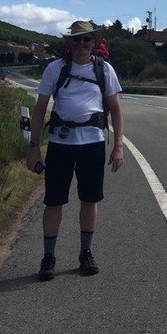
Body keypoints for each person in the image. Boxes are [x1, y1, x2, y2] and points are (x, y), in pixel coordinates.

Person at [26, 20, 125, 281]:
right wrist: (34, 147)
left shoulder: (105, 70)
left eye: (87, 39)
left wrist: (119, 147)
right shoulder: (54, 69)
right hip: (60, 144)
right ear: (69, 42)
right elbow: (39, 110)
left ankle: (86, 253)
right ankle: (48, 257)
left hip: (92, 143)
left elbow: (115, 109)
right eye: (77, 39)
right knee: (54, 201)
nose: (82, 44)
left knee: (90, 200)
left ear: (94, 42)